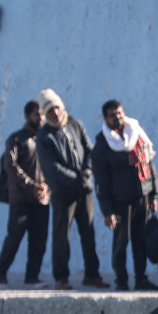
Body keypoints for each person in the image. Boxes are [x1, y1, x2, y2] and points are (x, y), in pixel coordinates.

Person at [35, 89, 107, 290]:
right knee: (61, 236)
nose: (55, 113)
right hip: (63, 193)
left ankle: (92, 274)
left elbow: (89, 150)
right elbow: (52, 169)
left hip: (84, 190)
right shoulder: (44, 137)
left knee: (88, 232)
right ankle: (61, 277)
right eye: (49, 111)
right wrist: (77, 179)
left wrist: (87, 170)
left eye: (56, 108)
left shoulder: (75, 124)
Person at [89, 99, 158, 291]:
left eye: (119, 113)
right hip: (120, 202)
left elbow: (149, 164)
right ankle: (121, 281)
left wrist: (154, 194)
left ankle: (141, 279)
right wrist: (107, 211)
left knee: (140, 241)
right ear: (105, 119)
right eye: (112, 115)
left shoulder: (136, 133)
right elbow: (101, 182)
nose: (117, 117)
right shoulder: (102, 146)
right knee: (121, 243)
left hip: (142, 196)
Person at [0, 100, 49, 286]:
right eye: (36, 114)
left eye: (42, 114)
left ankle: (31, 277)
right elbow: (10, 165)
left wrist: (46, 186)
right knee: (14, 237)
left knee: (39, 241)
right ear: (27, 116)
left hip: (42, 200)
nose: (40, 117)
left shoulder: (46, 140)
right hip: (20, 198)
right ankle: (0, 274)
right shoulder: (16, 139)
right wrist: (31, 185)